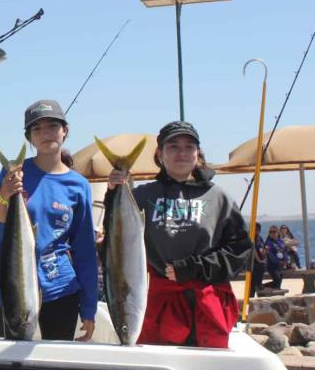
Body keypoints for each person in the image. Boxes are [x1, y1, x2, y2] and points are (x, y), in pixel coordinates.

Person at [106, 121, 252, 348]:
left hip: (207, 306)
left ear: (198, 154)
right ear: (160, 154)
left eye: (189, 147)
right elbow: (119, 244)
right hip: (160, 308)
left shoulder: (219, 197)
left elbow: (240, 251)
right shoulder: (141, 195)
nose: (182, 152)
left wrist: (193, 268)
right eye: (173, 146)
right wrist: (113, 193)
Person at [0, 100, 97, 341]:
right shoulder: (13, 174)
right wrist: (4, 196)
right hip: (14, 287)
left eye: (52, 126)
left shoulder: (78, 185)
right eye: (37, 129)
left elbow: (85, 249)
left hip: (60, 289)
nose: (46, 133)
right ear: (29, 138)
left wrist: (89, 306)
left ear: (65, 130)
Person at [264, 225, 287, 289]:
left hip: (281, 266)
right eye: (270, 232)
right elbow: (270, 254)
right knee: (277, 279)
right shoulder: (268, 243)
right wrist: (278, 262)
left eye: (274, 232)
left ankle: (265, 288)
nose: (272, 233)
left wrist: (285, 261)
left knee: (279, 279)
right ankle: (262, 287)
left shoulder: (280, 242)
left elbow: (284, 252)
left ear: (277, 232)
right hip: (272, 265)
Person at [250, 224, 267, 298]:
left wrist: (264, 252)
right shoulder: (250, 237)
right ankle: (258, 285)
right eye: (255, 229)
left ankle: (258, 288)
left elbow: (262, 249)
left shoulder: (259, 238)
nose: (256, 231)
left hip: (259, 261)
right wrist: (259, 260)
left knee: (253, 282)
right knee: (259, 267)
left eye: (257, 229)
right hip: (251, 262)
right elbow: (253, 250)